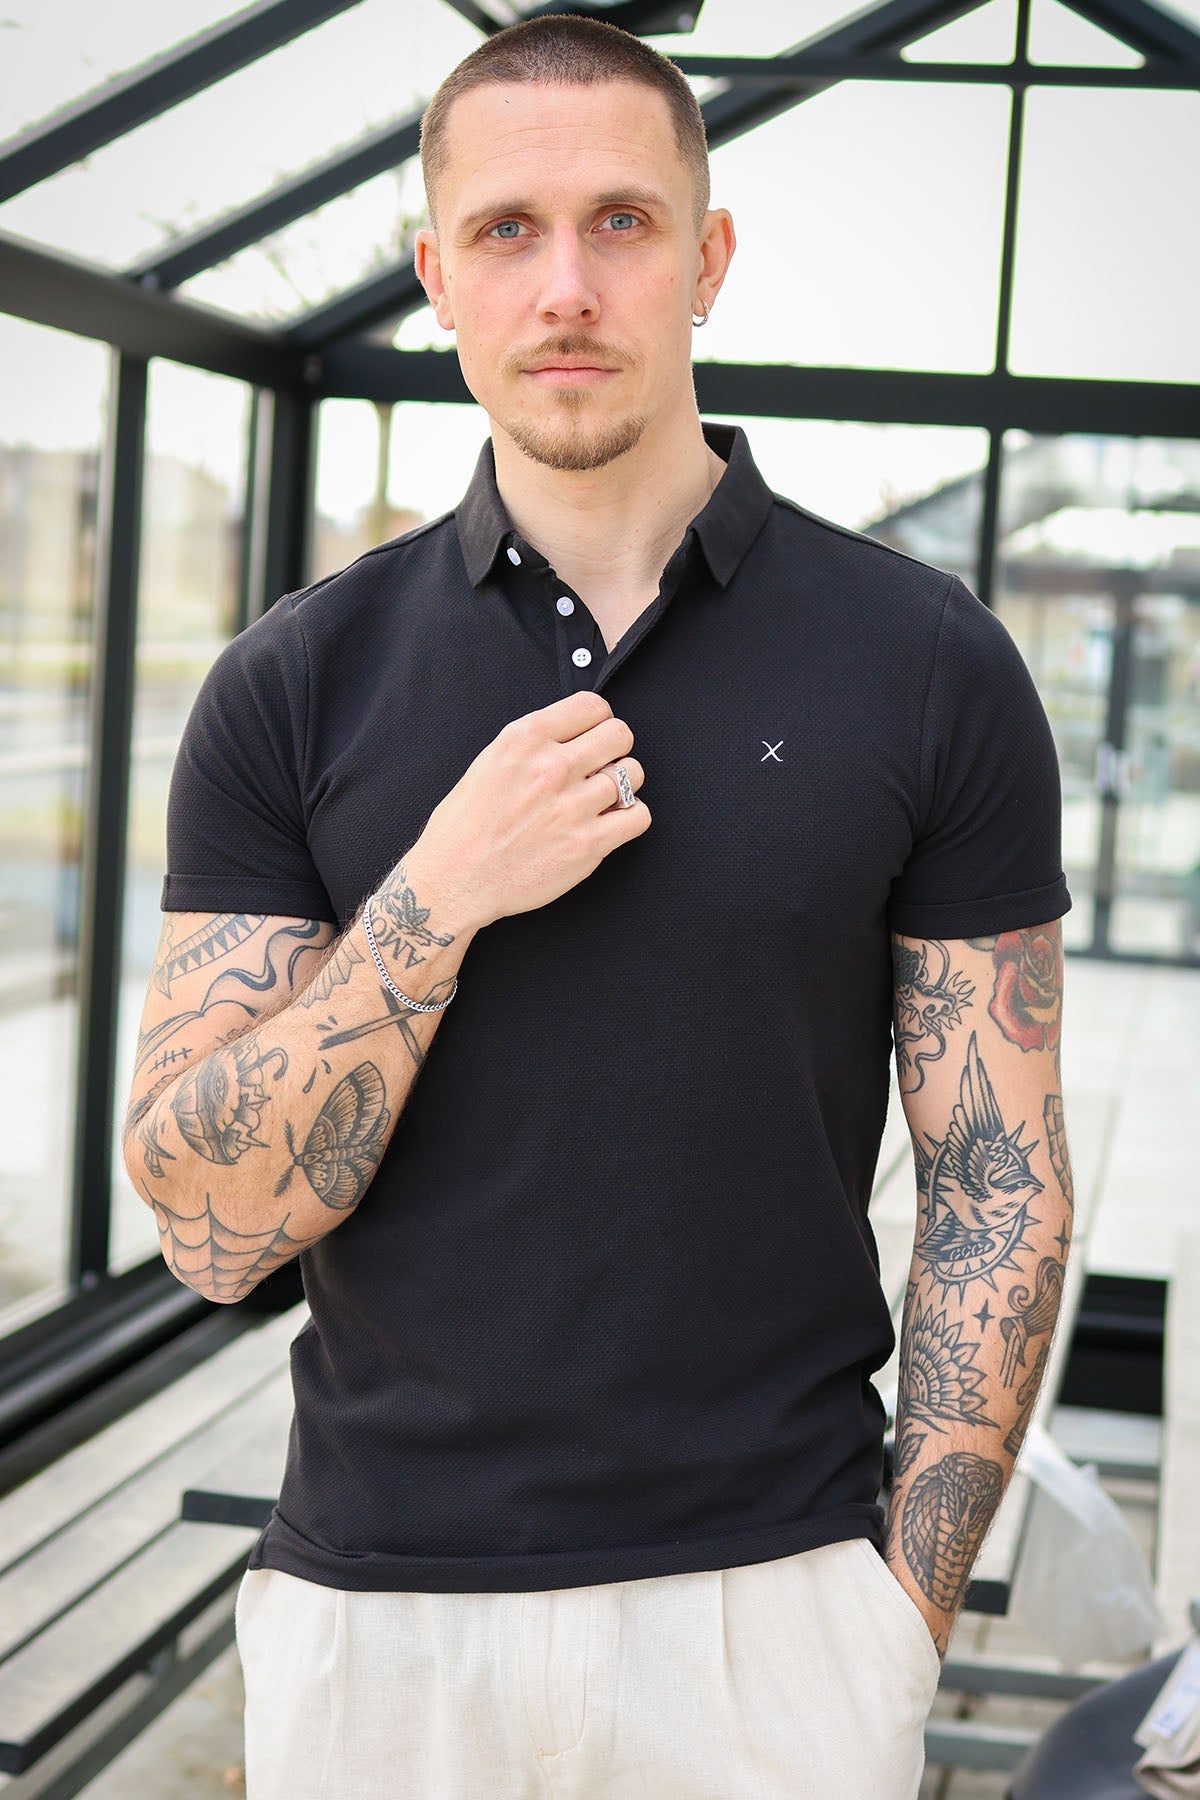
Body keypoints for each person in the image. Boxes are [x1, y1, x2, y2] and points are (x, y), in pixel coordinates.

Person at [122, 15, 1075, 1798]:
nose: (566, 285)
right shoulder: (296, 684)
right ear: (436, 276)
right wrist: (435, 900)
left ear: (708, 259)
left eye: (623, 223)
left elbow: (996, 1182)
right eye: (507, 230)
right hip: (380, 1622)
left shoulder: (926, 663)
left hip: (774, 1616)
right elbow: (209, 1228)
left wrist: (897, 1620)